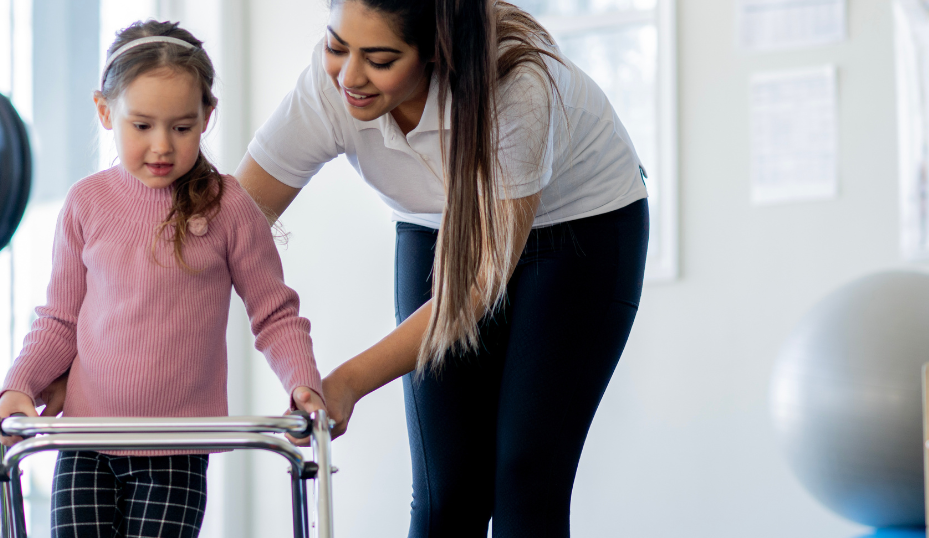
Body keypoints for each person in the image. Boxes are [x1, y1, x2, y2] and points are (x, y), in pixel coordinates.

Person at [243, 1, 648, 535]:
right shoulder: (328, 88)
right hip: (437, 221)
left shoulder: (516, 87)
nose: (349, 77)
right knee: (446, 491)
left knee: (525, 480)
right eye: (336, 47)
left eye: (379, 60)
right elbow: (229, 230)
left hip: (578, 227)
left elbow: (477, 286)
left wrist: (348, 383)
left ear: (437, 51)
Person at [0, 20, 326, 538]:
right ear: (105, 111)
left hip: (177, 449)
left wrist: (302, 383)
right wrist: (20, 385)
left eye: (182, 127)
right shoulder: (86, 203)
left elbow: (274, 312)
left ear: (207, 115)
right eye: (142, 126)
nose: (162, 145)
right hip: (85, 443)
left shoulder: (229, 207)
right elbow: (59, 319)